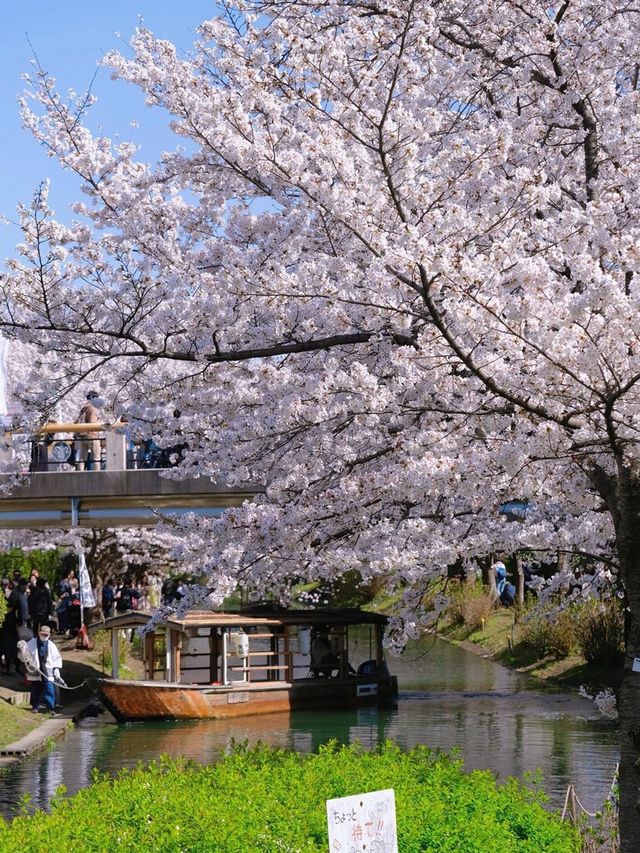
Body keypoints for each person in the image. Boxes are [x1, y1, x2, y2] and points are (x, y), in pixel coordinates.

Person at [25, 624, 63, 713]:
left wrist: (56, 668)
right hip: (36, 669)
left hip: (47, 670)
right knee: (35, 689)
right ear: (39, 633)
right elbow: (24, 654)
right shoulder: (31, 643)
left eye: (46, 635)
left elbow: (57, 657)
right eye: (43, 634)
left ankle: (51, 708)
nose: (44, 636)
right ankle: (35, 707)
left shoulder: (51, 645)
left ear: (49, 635)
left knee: (49, 689)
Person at [74, 390, 103, 470]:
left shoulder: (84, 408)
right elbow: (92, 422)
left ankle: (80, 475)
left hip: (81, 436)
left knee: (81, 459)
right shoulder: (93, 408)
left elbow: (76, 421)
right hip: (92, 436)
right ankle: (98, 475)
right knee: (96, 458)